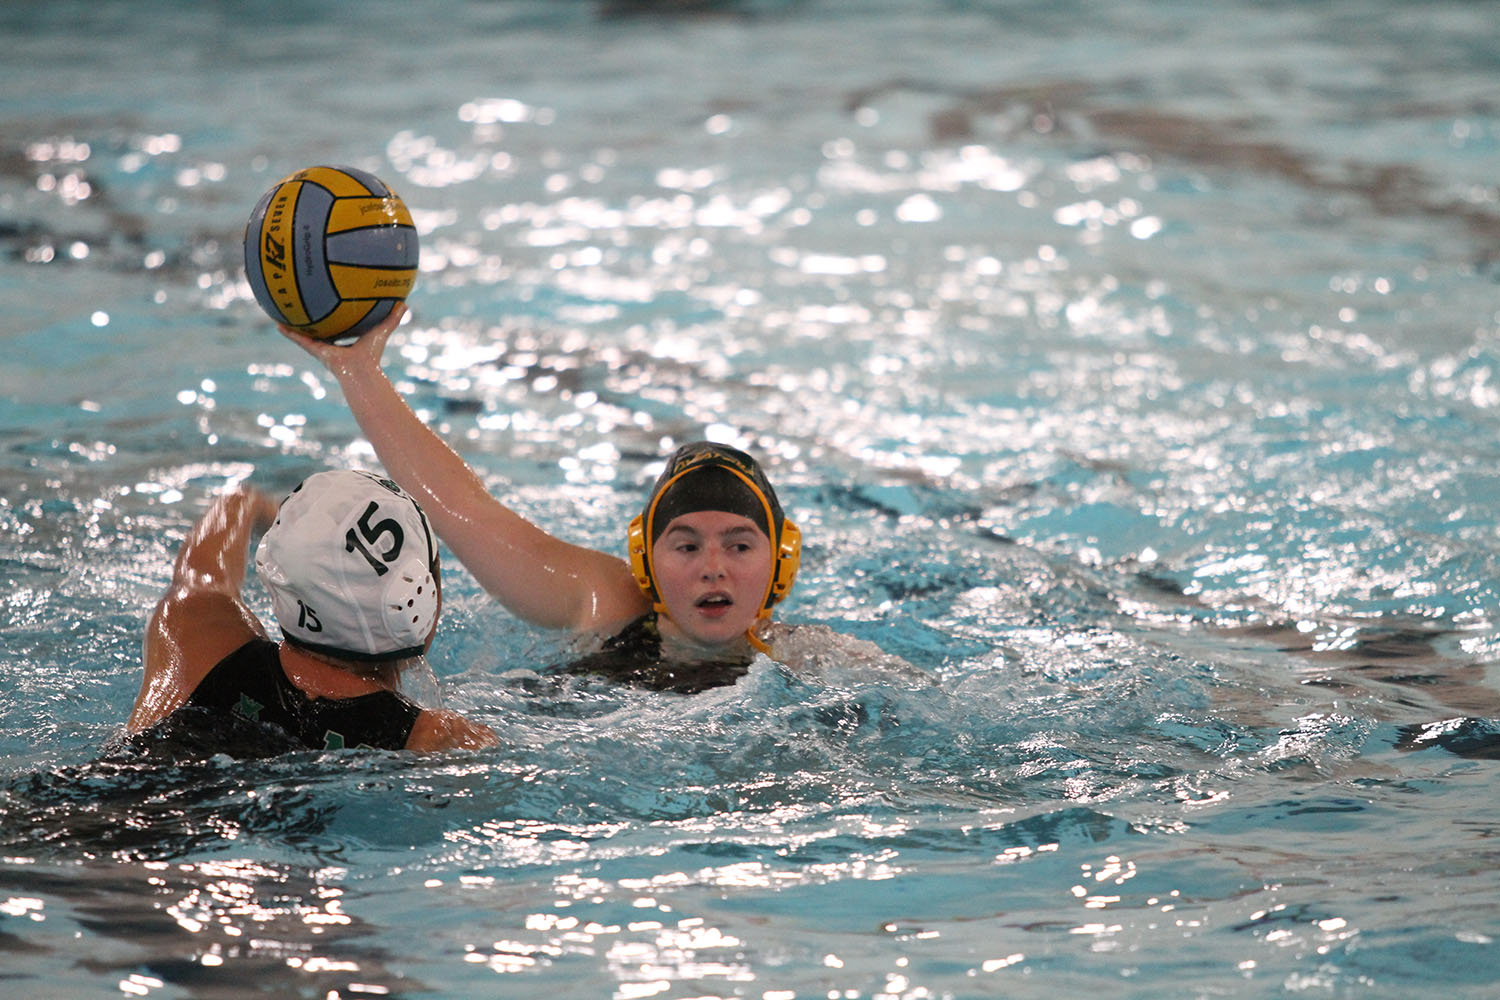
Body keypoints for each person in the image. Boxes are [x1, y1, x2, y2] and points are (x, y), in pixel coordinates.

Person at [279, 305, 916, 692]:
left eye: (740, 544)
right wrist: (357, 369)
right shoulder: (605, 601)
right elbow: (462, 511)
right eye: (686, 543)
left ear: (781, 563)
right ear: (646, 560)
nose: (712, 566)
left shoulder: (819, 660)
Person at [127, 469, 498, 751]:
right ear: (417, 602)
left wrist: (248, 501)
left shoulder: (195, 634)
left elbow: (204, 566)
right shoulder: (431, 740)